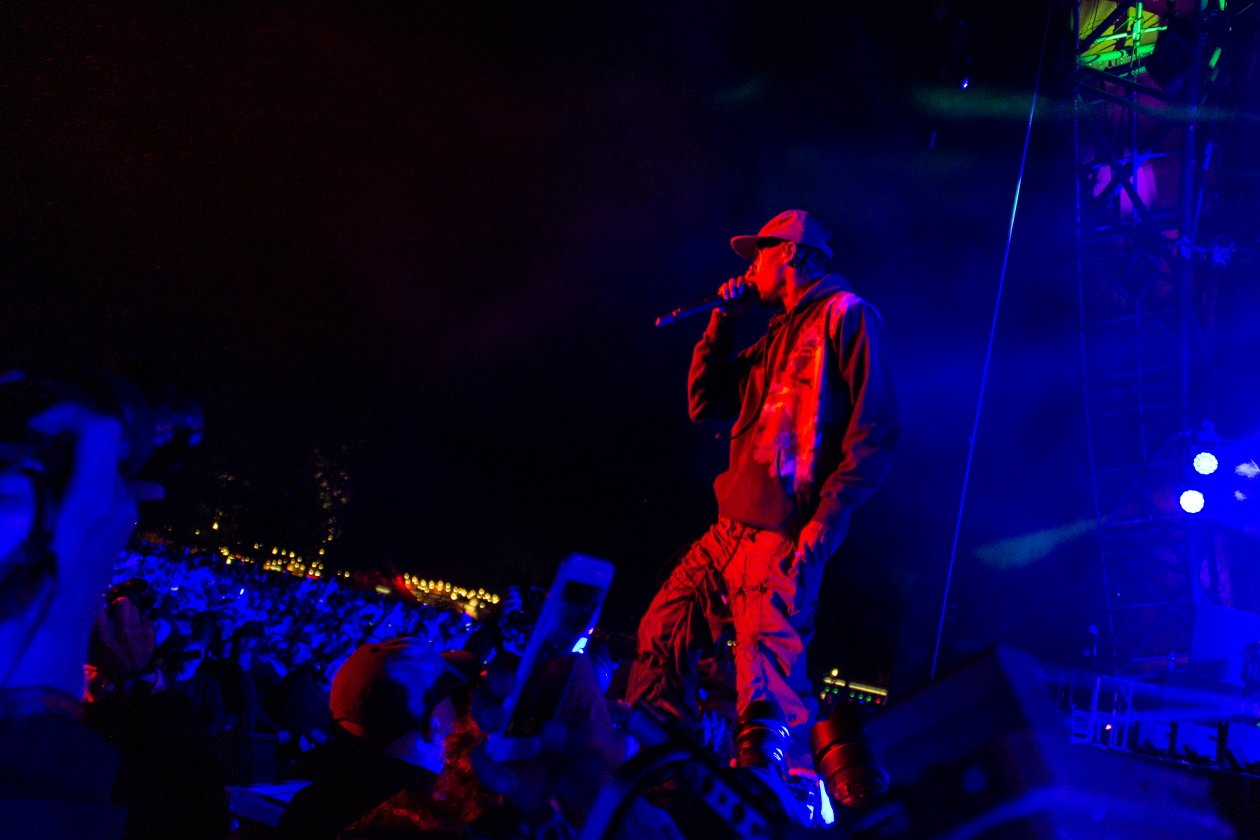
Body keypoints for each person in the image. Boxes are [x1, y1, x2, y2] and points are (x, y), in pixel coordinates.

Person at [626, 209, 901, 771]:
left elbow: (878, 427)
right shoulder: (777, 333)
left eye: (759, 253)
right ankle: (665, 767)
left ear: (790, 254)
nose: (750, 266)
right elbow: (707, 404)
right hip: (730, 526)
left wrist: (830, 516)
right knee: (663, 631)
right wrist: (721, 322)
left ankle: (781, 804)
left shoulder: (847, 316)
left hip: (784, 530)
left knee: (767, 680)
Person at [276, 638, 479, 840]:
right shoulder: (431, 824)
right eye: (450, 695)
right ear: (432, 721)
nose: (461, 709)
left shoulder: (311, 802)